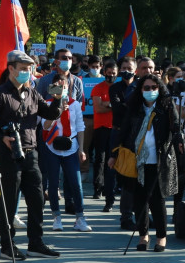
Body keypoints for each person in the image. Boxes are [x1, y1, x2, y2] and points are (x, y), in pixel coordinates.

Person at [0, 50, 63, 261]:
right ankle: (7, 245)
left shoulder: (32, 92)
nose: (27, 73)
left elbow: (50, 114)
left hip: (31, 152)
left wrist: (57, 99)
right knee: (10, 201)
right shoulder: (0, 93)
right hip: (9, 154)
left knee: (37, 199)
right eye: (22, 69)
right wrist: (1, 135)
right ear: (10, 69)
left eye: (29, 69)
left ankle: (36, 242)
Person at [114, 73, 179, 252]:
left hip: (159, 161)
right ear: (141, 90)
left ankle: (161, 237)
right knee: (139, 201)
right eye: (146, 88)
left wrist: (182, 143)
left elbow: (175, 128)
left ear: (160, 89)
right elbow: (124, 130)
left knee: (157, 201)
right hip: (137, 161)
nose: (150, 91)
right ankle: (143, 237)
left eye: (154, 88)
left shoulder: (166, 107)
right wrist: (114, 153)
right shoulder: (135, 108)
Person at [41, 72, 91, 233]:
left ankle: (80, 218)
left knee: (76, 183)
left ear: (68, 87)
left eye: (63, 87)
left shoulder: (75, 104)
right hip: (52, 147)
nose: (60, 89)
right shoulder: (46, 104)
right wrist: (59, 111)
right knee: (53, 184)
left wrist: (82, 149)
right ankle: (57, 217)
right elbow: (45, 126)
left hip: (71, 147)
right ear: (51, 88)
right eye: (57, 86)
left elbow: (81, 127)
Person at [108, 56, 139, 229]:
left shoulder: (141, 86)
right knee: (119, 172)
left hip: (137, 135)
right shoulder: (115, 88)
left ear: (135, 70)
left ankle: (136, 212)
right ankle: (120, 211)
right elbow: (118, 109)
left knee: (135, 175)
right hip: (119, 133)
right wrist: (133, 105)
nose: (127, 70)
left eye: (130, 67)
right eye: (124, 67)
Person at [91, 59, 118, 210]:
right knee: (100, 158)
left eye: (114, 73)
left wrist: (107, 104)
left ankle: (111, 189)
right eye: (108, 73)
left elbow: (120, 106)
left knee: (112, 159)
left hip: (114, 127)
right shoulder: (98, 88)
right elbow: (98, 108)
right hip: (101, 127)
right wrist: (113, 105)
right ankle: (98, 187)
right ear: (104, 73)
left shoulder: (119, 87)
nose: (111, 76)